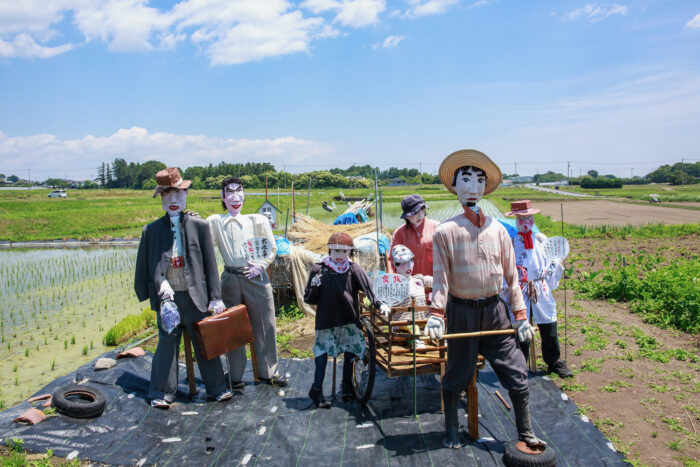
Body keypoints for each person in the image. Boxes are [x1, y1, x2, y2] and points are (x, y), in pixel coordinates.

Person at [424, 149, 545, 449]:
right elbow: (441, 278)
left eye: (479, 181)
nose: (473, 187)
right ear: (455, 186)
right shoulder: (446, 231)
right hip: (462, 310)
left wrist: (521, 317)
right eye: (466, 179)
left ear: (484, 188)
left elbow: (512, 278)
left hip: (495, 310)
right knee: (458, 373)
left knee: (516, 371)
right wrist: (437, 314)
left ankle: (526, 431)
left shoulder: (499, 232)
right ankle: (452, 429)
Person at [134, 167, 231, 409]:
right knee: (167, 344)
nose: (173, 201)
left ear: (186, 195)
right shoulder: (151, 231)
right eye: (167, 196)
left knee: (204, 343)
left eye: (178, 195)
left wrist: (215, 297)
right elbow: (146, 265)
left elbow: (210, 263)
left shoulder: (199, 225)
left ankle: (217, 388)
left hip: (196, 296)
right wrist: (159, 284)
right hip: (169, 300)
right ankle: (161, 392)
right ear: (161, 199)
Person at [207, 176, 287, 388]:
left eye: (239, 191)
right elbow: (201, 240)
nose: (235, 197)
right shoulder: (215, 222)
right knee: (232, 328)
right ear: (223, 197)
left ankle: (269, 371)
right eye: (229, 192)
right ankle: (235, 376)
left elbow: (271, 247)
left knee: (265, 324)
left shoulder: (257, 221)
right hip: (230, 278)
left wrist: (262, 265)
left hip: (256, 277)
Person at [303, 232, 390, 407]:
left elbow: (369, 289)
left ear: (350, 252)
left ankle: (347, 387)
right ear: (329, 250)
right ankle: (316, 390)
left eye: (345, 251)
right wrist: (315, 286)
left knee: (350, 353)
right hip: (326, 321)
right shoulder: (319, 269)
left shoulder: (354, 269)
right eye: (336, 251)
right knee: (321, 356)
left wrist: (380, 304)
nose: (340, 255)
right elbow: (309, 298)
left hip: (349, 319)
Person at [505, 200, 573, 378]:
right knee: (522, 324)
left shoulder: (542, 240)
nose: (526, 223)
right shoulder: (510, 242)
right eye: (522, 219)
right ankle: (520, 363)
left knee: (548, 321)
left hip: (540, 286)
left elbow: (551, 262)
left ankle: (553, 360)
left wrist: (554, 266)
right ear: (516, 221)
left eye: (529, 218)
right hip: (521, 288)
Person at [389, 244, 433, 348]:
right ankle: (417, 342)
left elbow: (438, 281)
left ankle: (439, 341)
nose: (408, 266)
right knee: (414, 328)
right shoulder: (393, 285)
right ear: (395, 265)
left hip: (423, 319)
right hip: (402, 323)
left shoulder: (419, 280)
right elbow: (382, 297)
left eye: (410, 261)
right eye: (403, 263)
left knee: (437, 323)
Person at [388, 194, 439, 276]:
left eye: (421, 211)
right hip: (409, 284)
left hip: (434, 283)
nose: (419, 216)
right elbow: (391, 260)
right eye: (414, 213)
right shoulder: (399, 233)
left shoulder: (437, 228)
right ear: (406, 216)